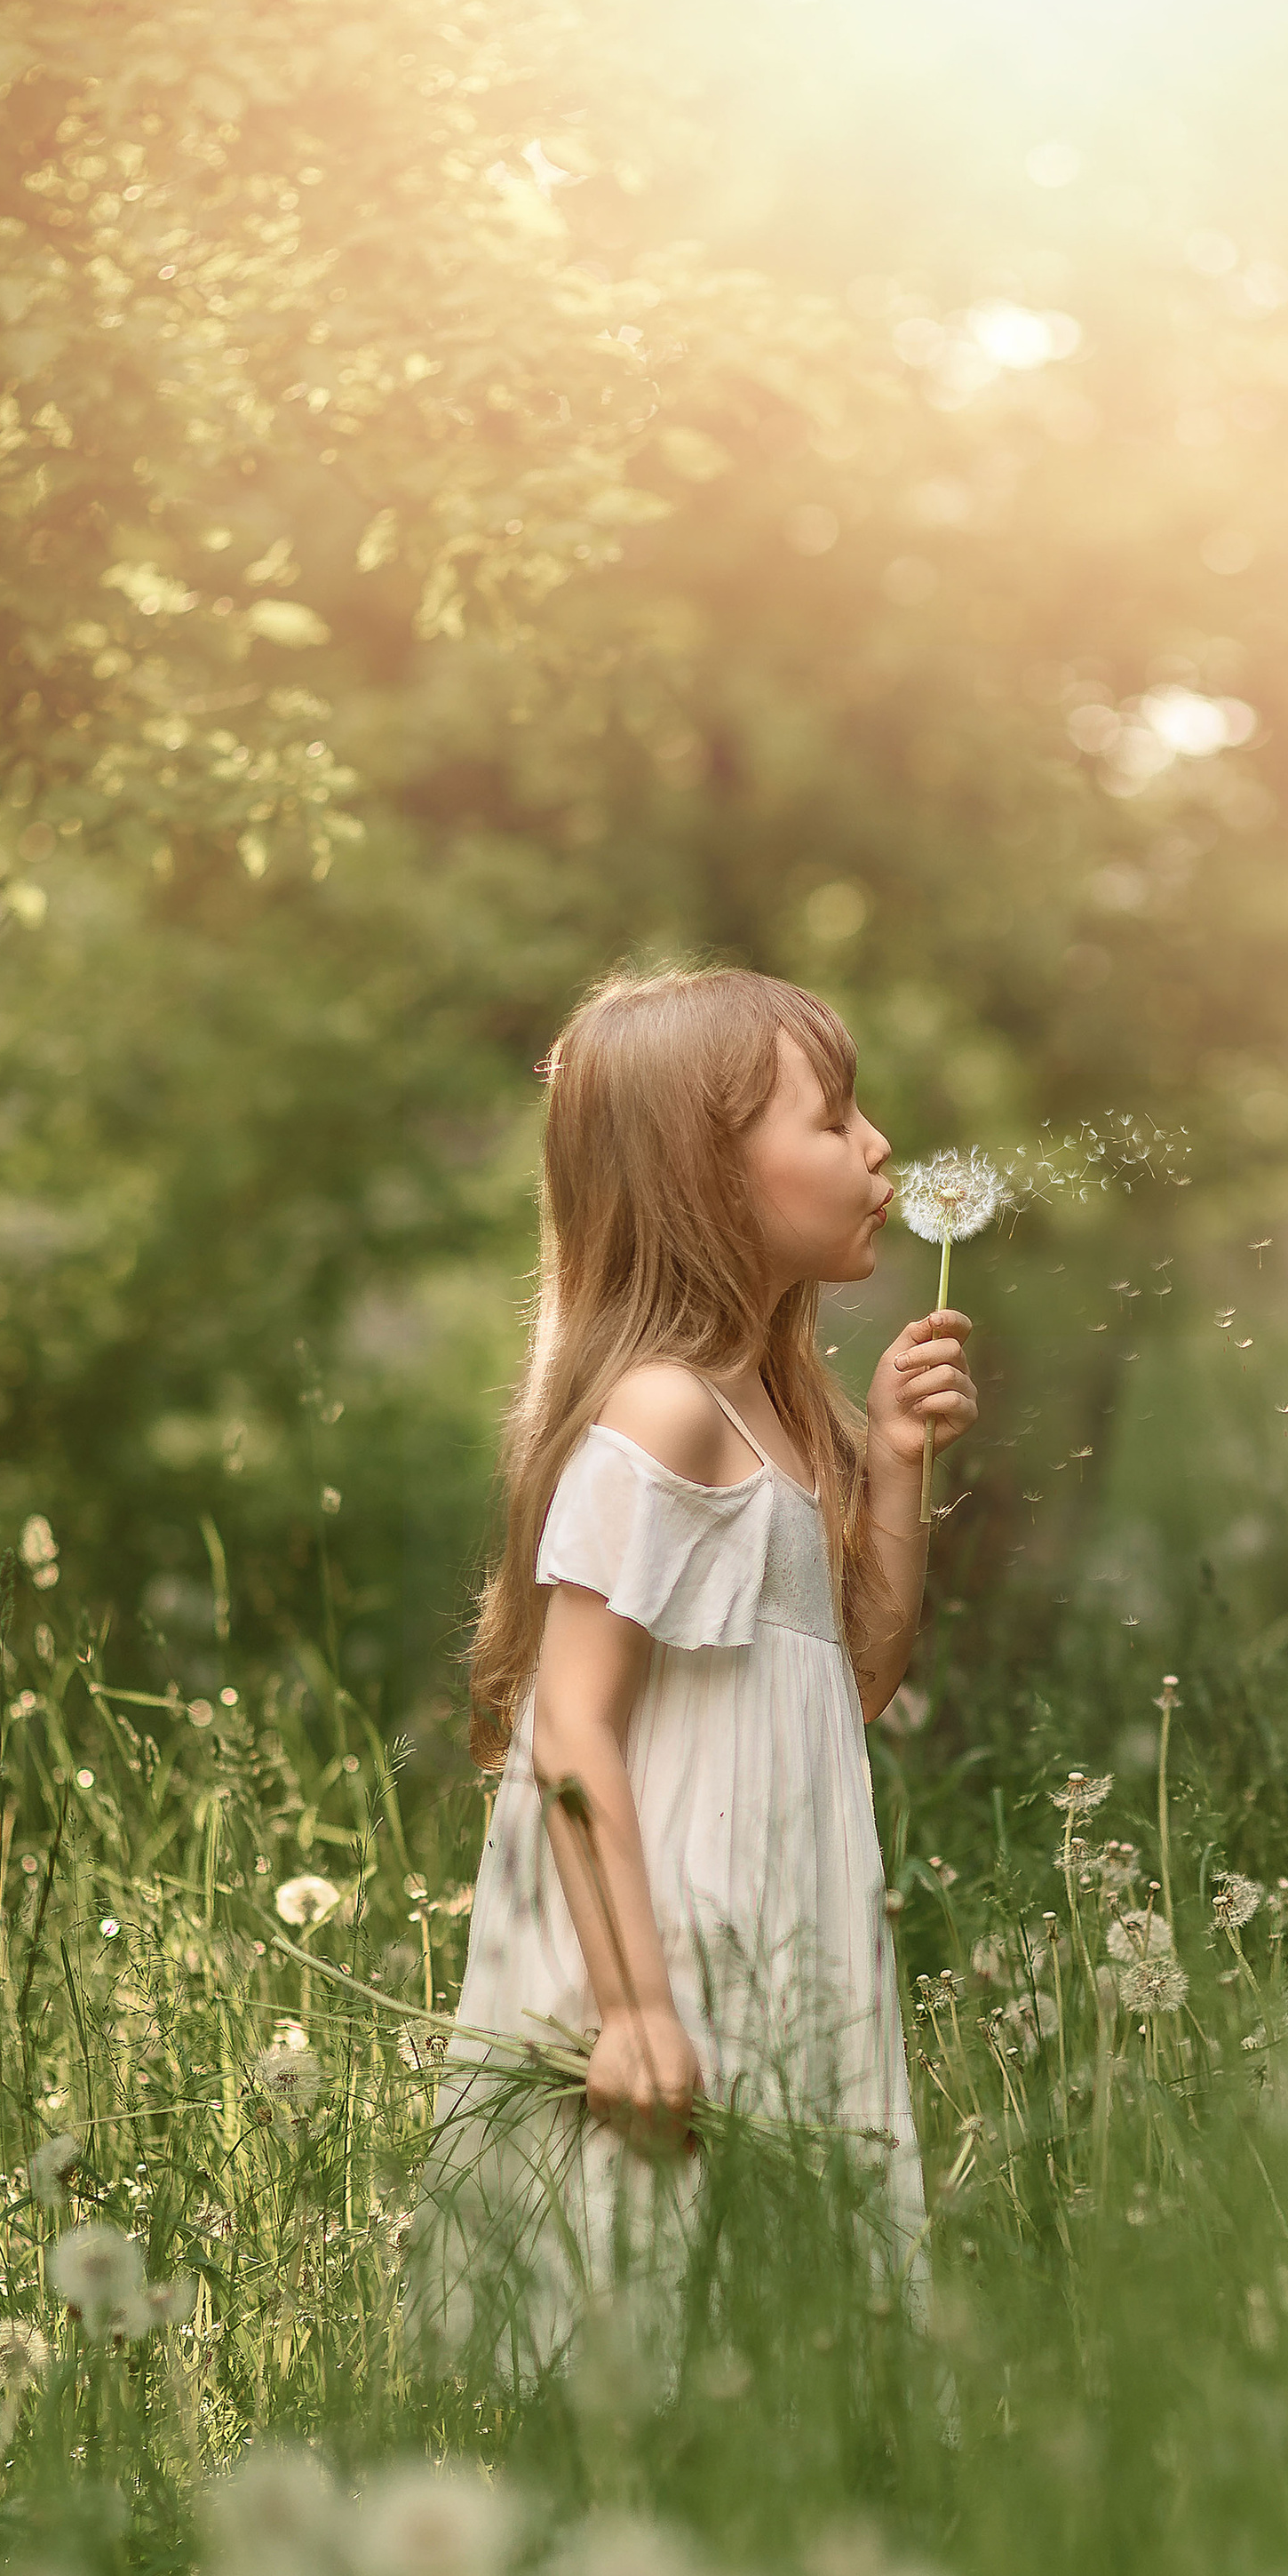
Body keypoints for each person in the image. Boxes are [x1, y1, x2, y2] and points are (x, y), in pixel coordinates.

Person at [407, 963, 975, 2381]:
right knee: (645, 2305)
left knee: (757, 2324)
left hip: (767, 1918)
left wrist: (895, 1465)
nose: (878, 1145)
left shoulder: (774, 1411)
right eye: (833, 1117)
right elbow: (572, 1727)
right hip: (667, 1930)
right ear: (708, 1176)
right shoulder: (666, 1411)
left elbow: (848, 1685)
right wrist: (637, 2008)